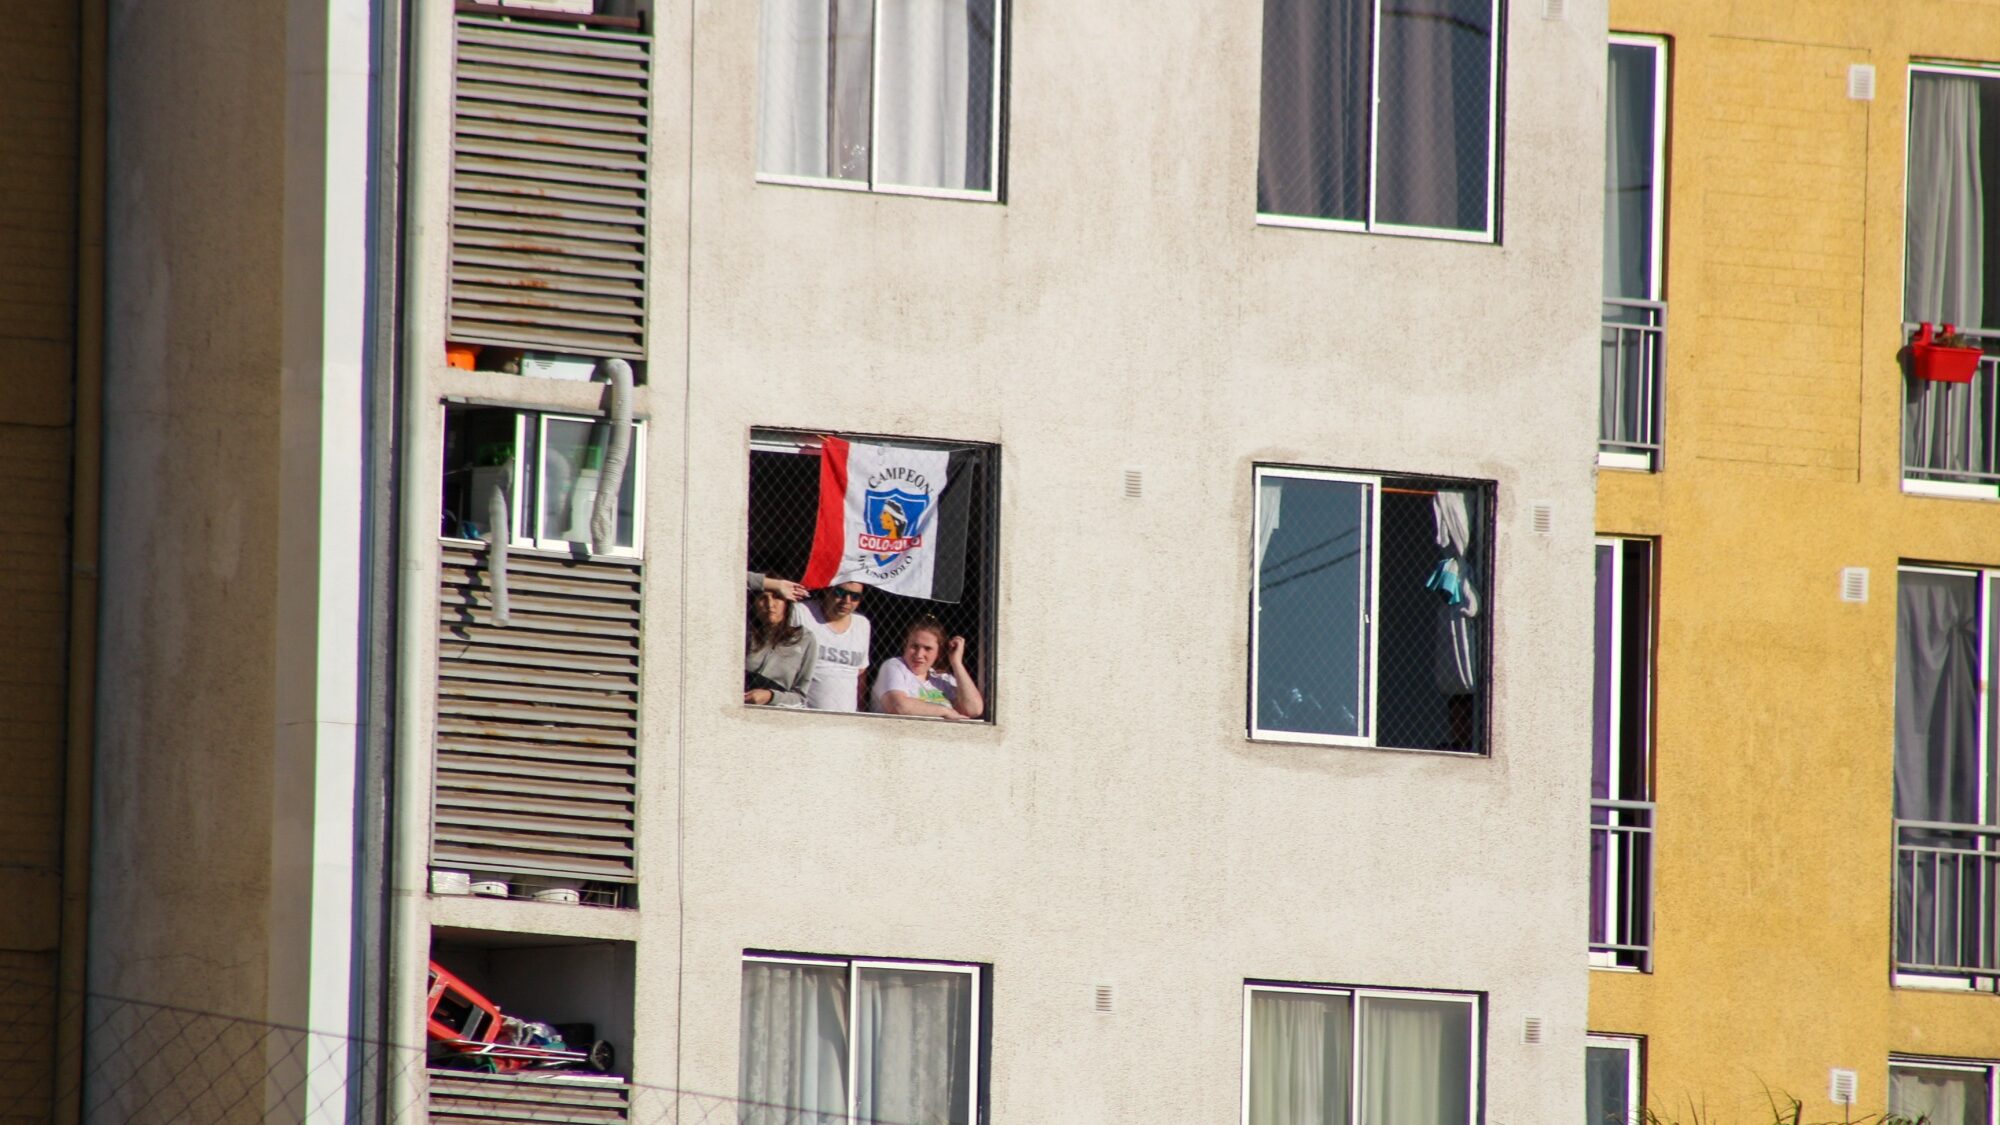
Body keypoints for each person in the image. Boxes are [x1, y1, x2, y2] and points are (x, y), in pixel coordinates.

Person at [870, 616, 984, 721]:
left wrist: (957, 663)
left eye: (928, 648)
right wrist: (945, 711)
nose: (919, 654)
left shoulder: (943, 679)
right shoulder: (894, 666)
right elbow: (898, 706)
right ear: (906, 645)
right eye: (914, 646)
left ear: (938, 653)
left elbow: (974, 709)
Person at [797, 581, 872, 711]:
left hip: (846, 718)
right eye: (840, 593)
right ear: (827, 590)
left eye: (855, 597)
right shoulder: (802, 613)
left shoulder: (863, 624)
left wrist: (860, 711)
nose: (846, 601)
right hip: (805, 713)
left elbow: (861, 672)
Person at [744, 587, 816, 706]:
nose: (770, 605)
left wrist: (771, 696)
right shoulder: (744, 633)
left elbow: (800, 698)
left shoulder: (805, 639)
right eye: (762, 598)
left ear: (787, 603)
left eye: (777, 597)